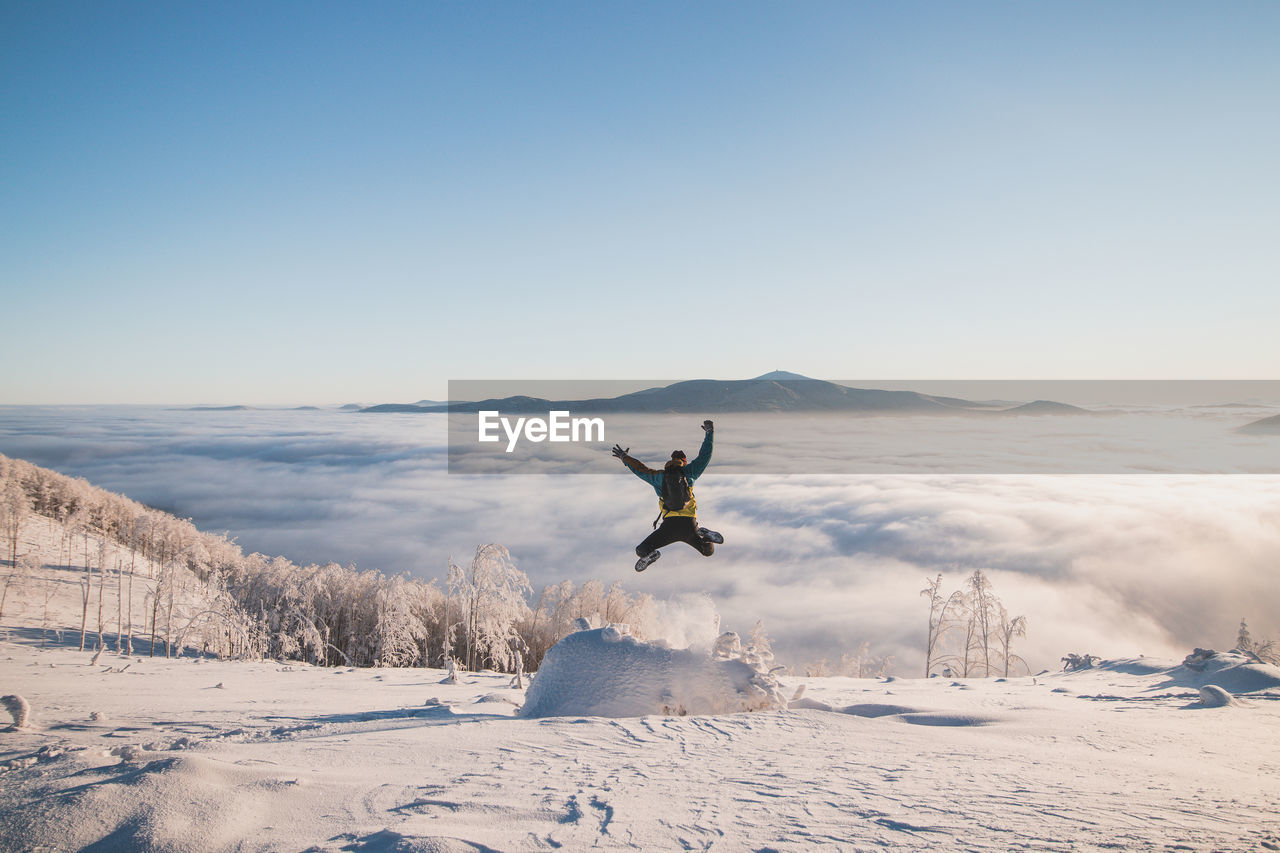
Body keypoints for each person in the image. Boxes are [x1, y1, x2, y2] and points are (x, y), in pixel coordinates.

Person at [612, 419, 724, 572]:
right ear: (684, 462)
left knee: (641, 550)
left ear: (670, 461)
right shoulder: (689, 473)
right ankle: (705, 537)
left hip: (669, 526)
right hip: (690, 525)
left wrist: (624, 457)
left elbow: (639, 469)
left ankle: (652, 554)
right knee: (707, 552)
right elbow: (705, 456)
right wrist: (709, 433)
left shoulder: (658, 477)